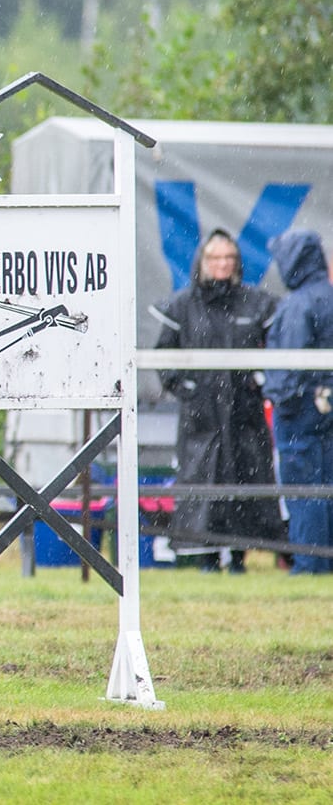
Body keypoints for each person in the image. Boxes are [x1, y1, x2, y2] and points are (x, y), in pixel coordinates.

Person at [150, 229, 283, 572]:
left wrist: (259, 382)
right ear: (203, 262)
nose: (222, 265)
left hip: (244, 415)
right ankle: (205, 557)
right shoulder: (182, 305)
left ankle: (240, 555)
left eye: (228, 258)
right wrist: (189, 390)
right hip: (202, 419)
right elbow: (164, 358)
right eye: (215, 258)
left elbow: (280, 348)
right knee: (201, 484)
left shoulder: (257, 302)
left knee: (247, 479)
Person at [263, 228, 333, 574]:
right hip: (325, 404)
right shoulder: (328, 296)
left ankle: (309, 562)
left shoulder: (297, 304)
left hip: (300, 410)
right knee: (326, 483)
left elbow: (288, 364)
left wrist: (283, 402)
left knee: (303, 486)